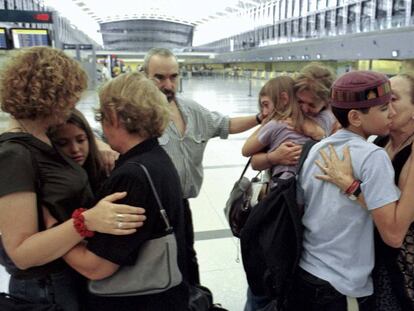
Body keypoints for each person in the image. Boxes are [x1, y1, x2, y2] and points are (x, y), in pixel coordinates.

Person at [0, 47, 145, 311]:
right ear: (51, 95)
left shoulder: (43, 137)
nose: (74, 102)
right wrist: (85, 221)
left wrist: (98, 145)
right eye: (70, 94)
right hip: (45, 287)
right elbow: (21, 253)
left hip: (66, 273)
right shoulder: (14, 154)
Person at [61, 72, 189, 311]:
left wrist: (52, 227)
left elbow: (95, 267)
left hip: (134, 302)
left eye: (102, 116)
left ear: (115, 117)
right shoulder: (157, 158)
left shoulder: (132, 177)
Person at [289, 70, 414, 311]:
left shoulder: (329, 148)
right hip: (352, 270)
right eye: (383, 103)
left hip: (400, 269)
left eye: (393, 99)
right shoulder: (376, 146)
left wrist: (351, 187)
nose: (388, 106)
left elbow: (395, 231)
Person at [143, 47, 260, 285]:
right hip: (149, 207)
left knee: (187, 256)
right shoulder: (137, 114)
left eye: (173, 76)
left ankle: (194, 299)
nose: (168, 84)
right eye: (160, 77)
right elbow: (102, 136)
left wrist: (260, 118)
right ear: (145, 76)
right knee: (158, 267)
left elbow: (224, 124)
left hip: (180, 205)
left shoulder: (191, 110)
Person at [250, 63, 338, 172]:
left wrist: (321, 135)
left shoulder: (334, 121)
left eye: (312, 105)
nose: (304, 109)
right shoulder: (284, 121)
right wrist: (274, 157)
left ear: (327, 102)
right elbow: (254, 161)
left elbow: (250, 155)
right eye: (300, 101)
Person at [48, 109, 107, 193]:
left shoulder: (104, 168)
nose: (75, 149)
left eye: (80, 140)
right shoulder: (53, 183)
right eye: (63, 143)